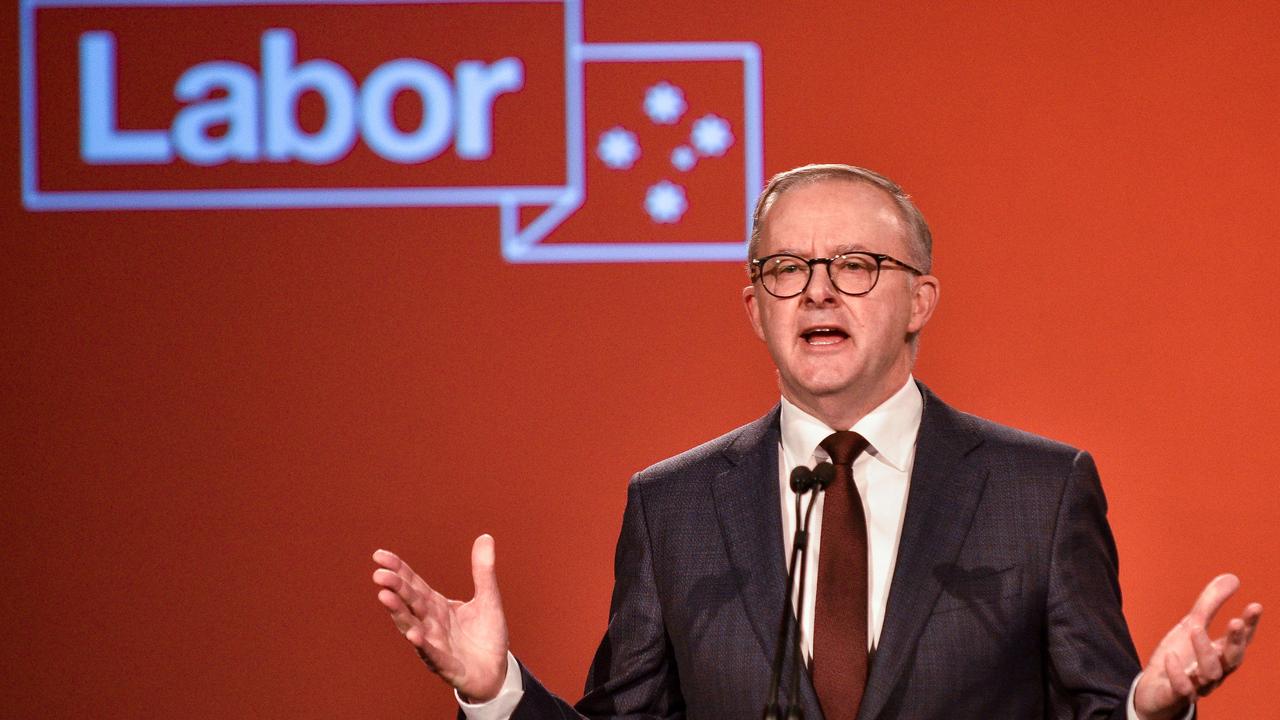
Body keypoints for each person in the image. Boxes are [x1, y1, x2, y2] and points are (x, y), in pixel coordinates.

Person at [372, 164, 1262, 719]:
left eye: (856, 266)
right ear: (754, 307)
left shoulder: (1043, 489)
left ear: (920, 301)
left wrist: (1149, 712)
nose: (818, 293)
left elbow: (1097, 710)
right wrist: (496, 695)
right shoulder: (672, 505)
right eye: (787, 269)